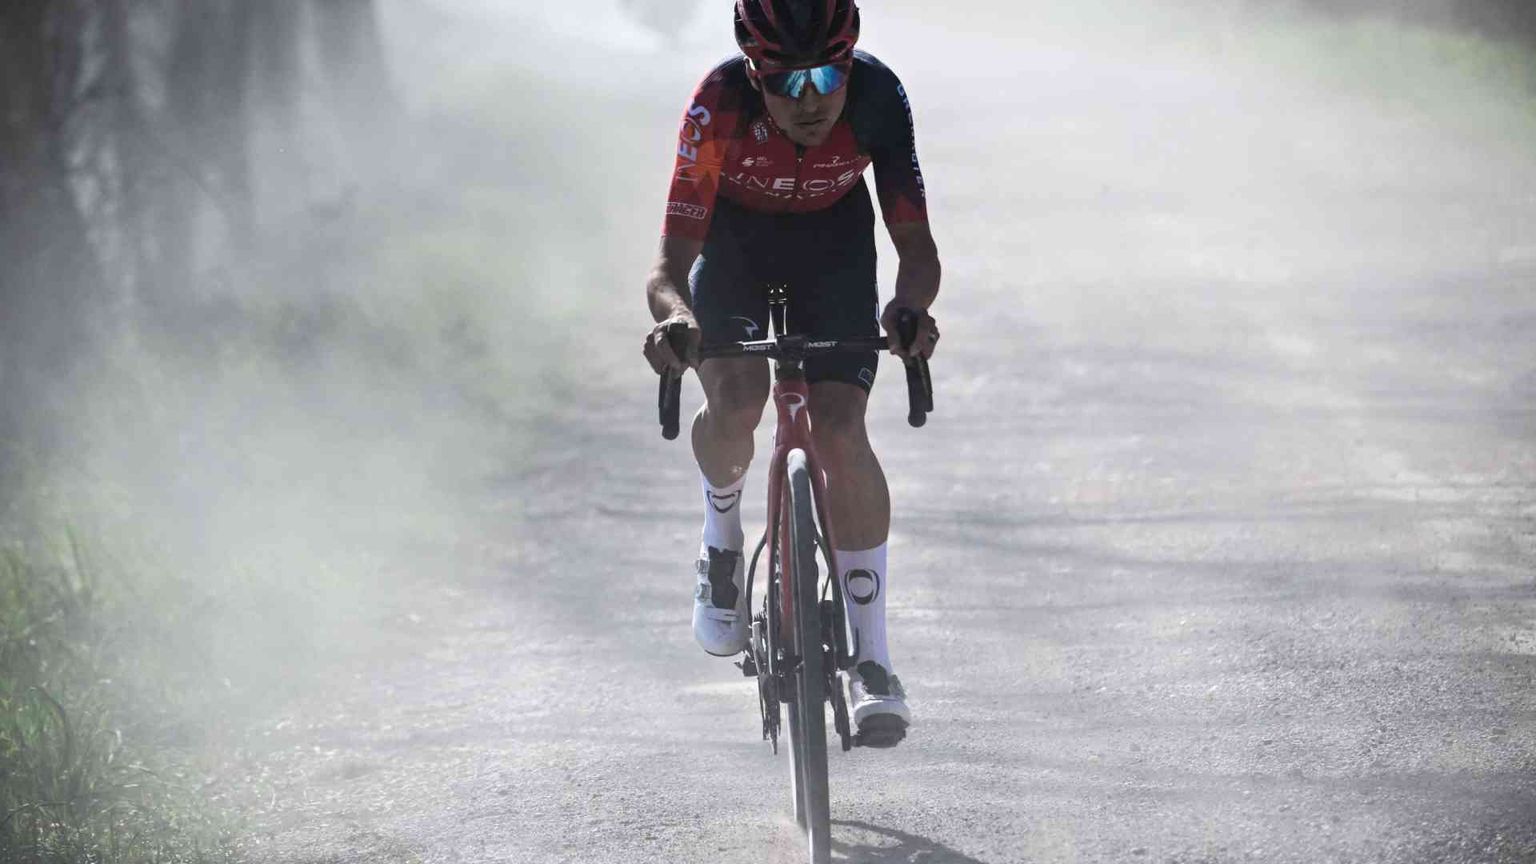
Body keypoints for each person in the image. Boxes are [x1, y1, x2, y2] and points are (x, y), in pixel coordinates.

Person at [641, 0, 940, 746]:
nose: (810, 100)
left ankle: (873, 661)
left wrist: (908, 308)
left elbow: (916, 247)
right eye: (786, 82)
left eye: (825, 76)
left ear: (848, 65)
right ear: (754, 73)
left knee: (841, 429)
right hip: (735, 247)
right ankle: (720, 542)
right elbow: (669, 268)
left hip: (833, 245)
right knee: (737, 399)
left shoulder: (876, 96)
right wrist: (676, 319)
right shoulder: (719, 104)